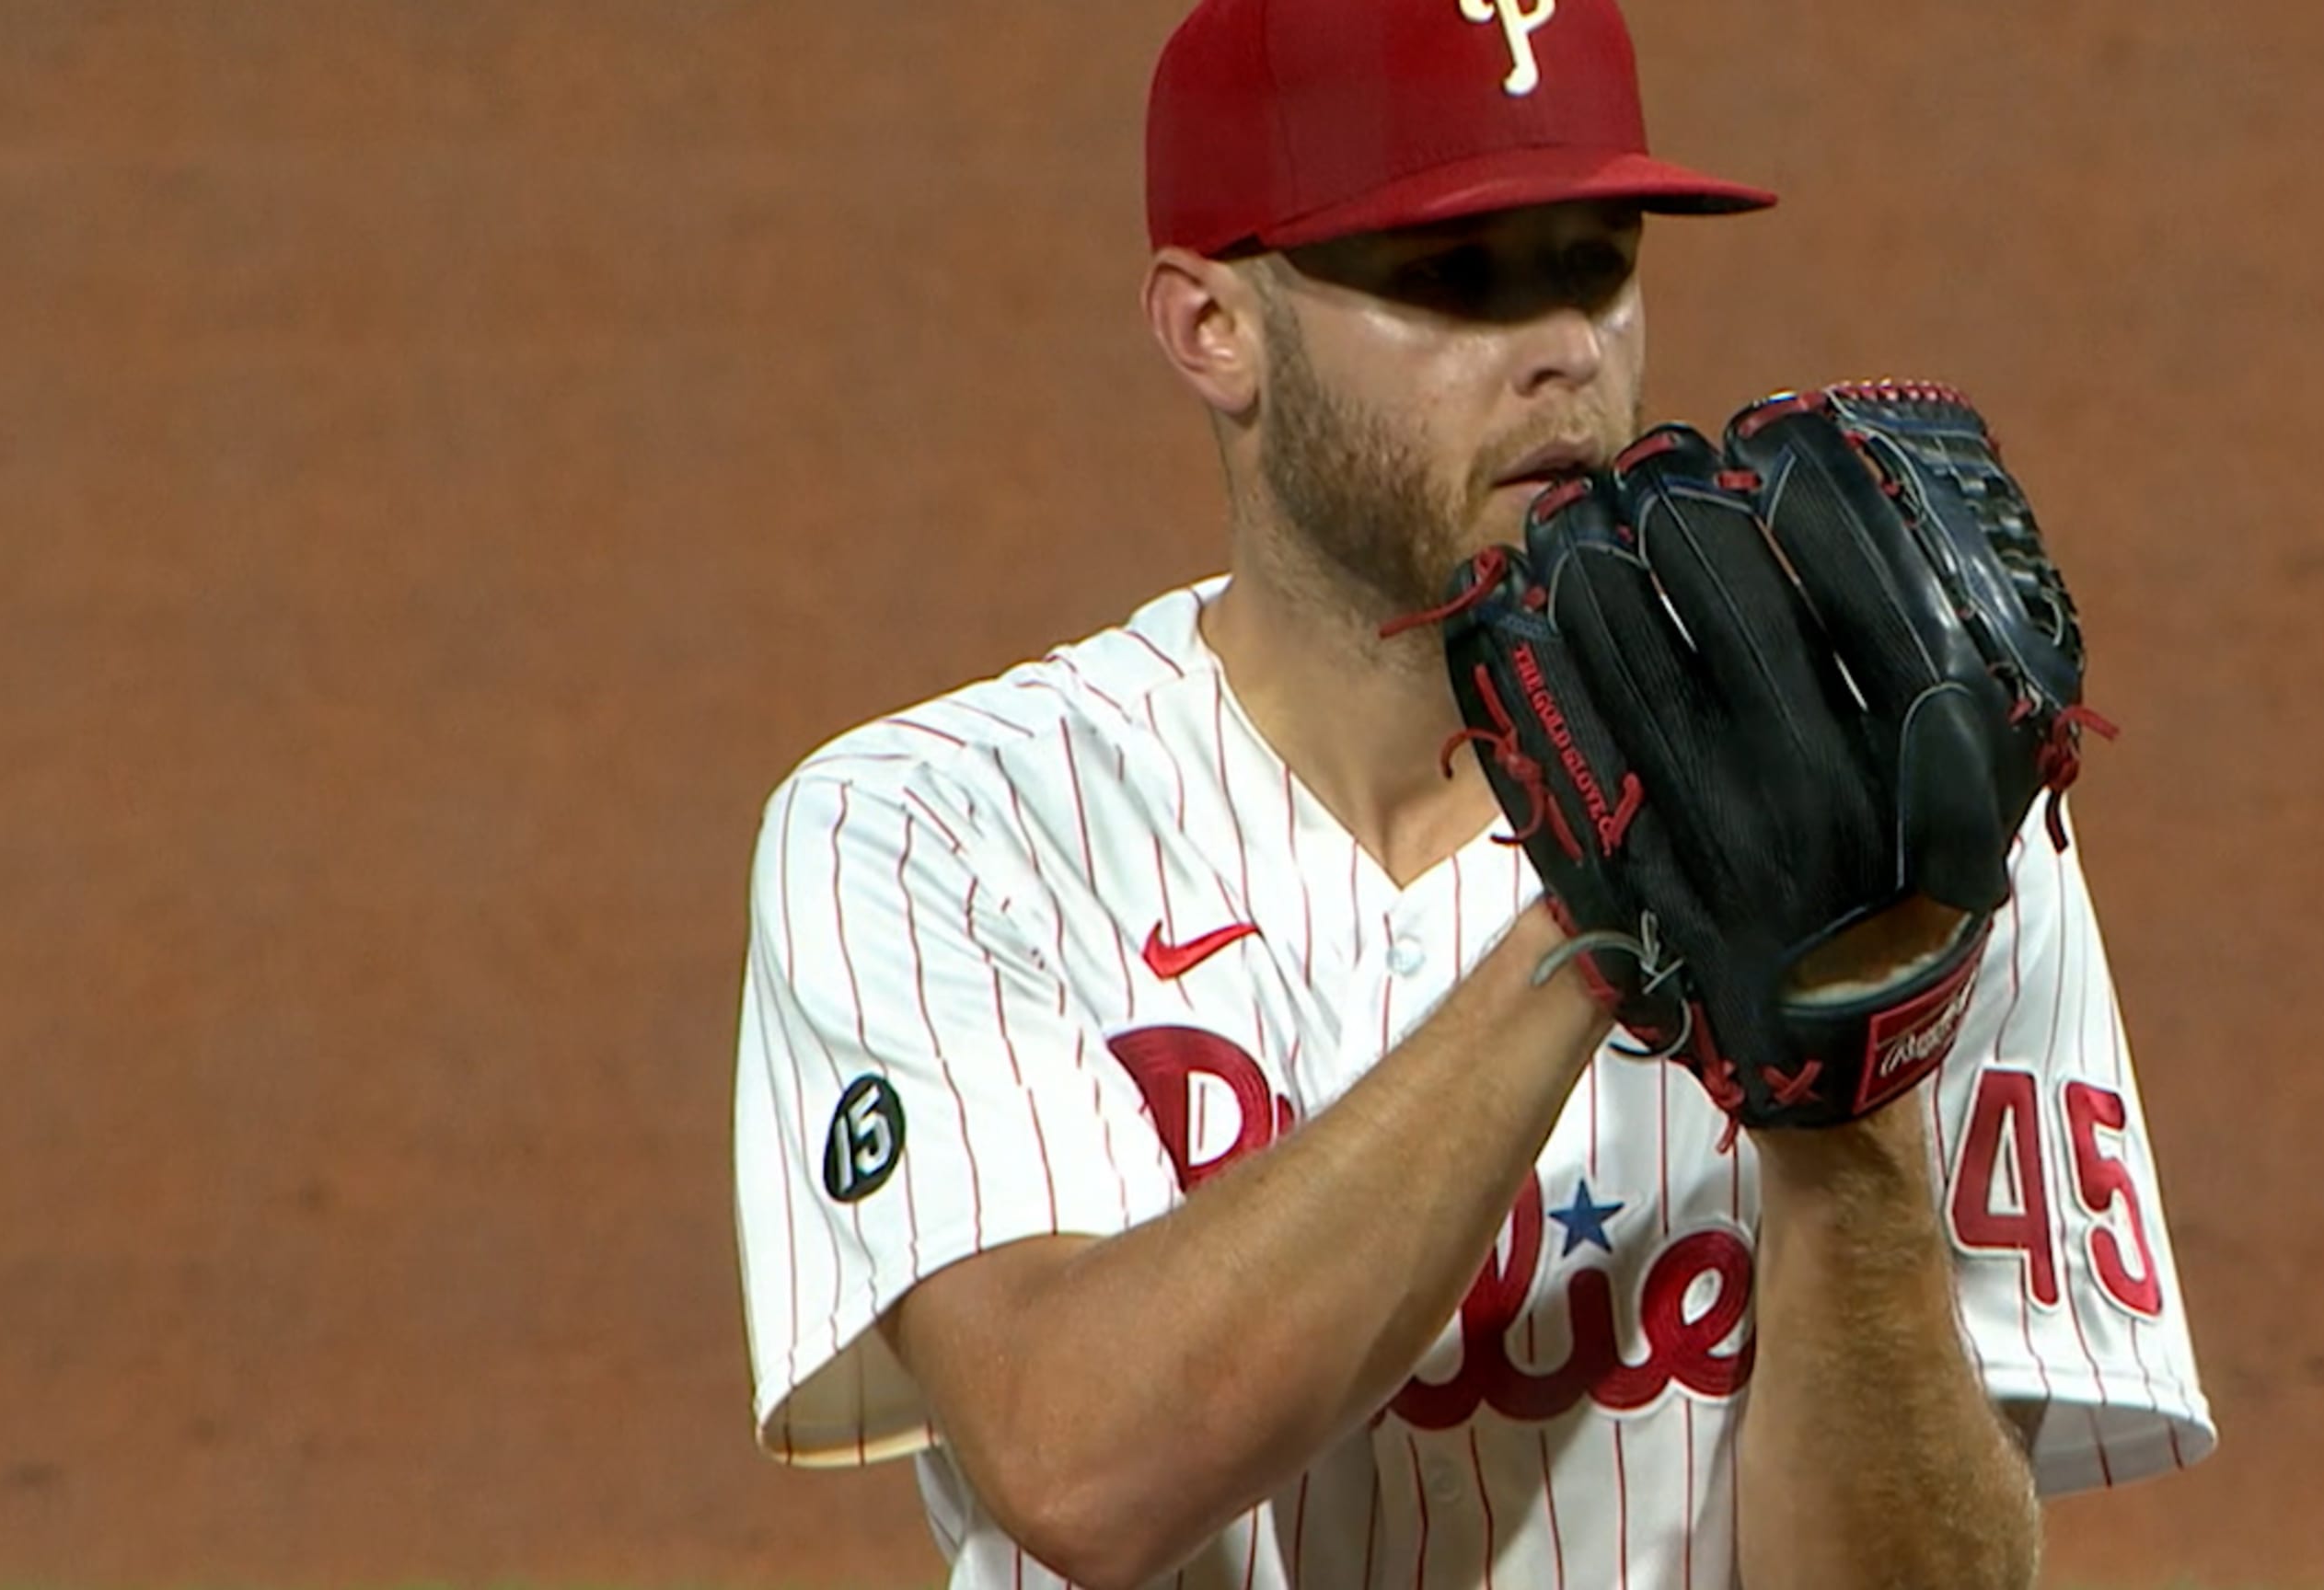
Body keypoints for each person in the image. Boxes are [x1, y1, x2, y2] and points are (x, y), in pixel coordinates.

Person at [729, 0, 2216, 1584]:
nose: (1563, 347)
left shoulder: (1902, 816)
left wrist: (1844, 1120)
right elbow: (1083, 1463)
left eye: (1597, 261)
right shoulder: (936, 826)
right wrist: (1601, 928)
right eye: (1455, 279)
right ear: (1210, 325)